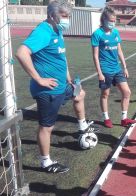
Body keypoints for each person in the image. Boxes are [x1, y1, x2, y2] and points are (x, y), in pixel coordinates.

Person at [16, 0, 98, 173]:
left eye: (69, 16)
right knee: (47, 127)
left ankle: (82, 126)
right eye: (64, 16)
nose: (67, 20)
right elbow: (22, 53)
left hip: (62, 85)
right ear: (52, 15)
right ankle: (46, 162)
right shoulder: (43, 31)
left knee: (80, 94)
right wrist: (39, 79)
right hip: (48, 90)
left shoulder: (57, 30)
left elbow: (61, 57)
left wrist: (68, 78)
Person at [91, 6, 136, 128]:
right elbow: (95, 56)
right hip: (105, 70)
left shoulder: (116, 32)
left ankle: (124, 118)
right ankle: (106, 118)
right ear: (104, 19)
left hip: (117, 69)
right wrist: (99, 73)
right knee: (105, 94)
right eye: (111, 20)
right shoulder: (97, 34)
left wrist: (125, 67)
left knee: (127, 92)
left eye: (114, 20)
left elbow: (119, 51)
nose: (113, 22)